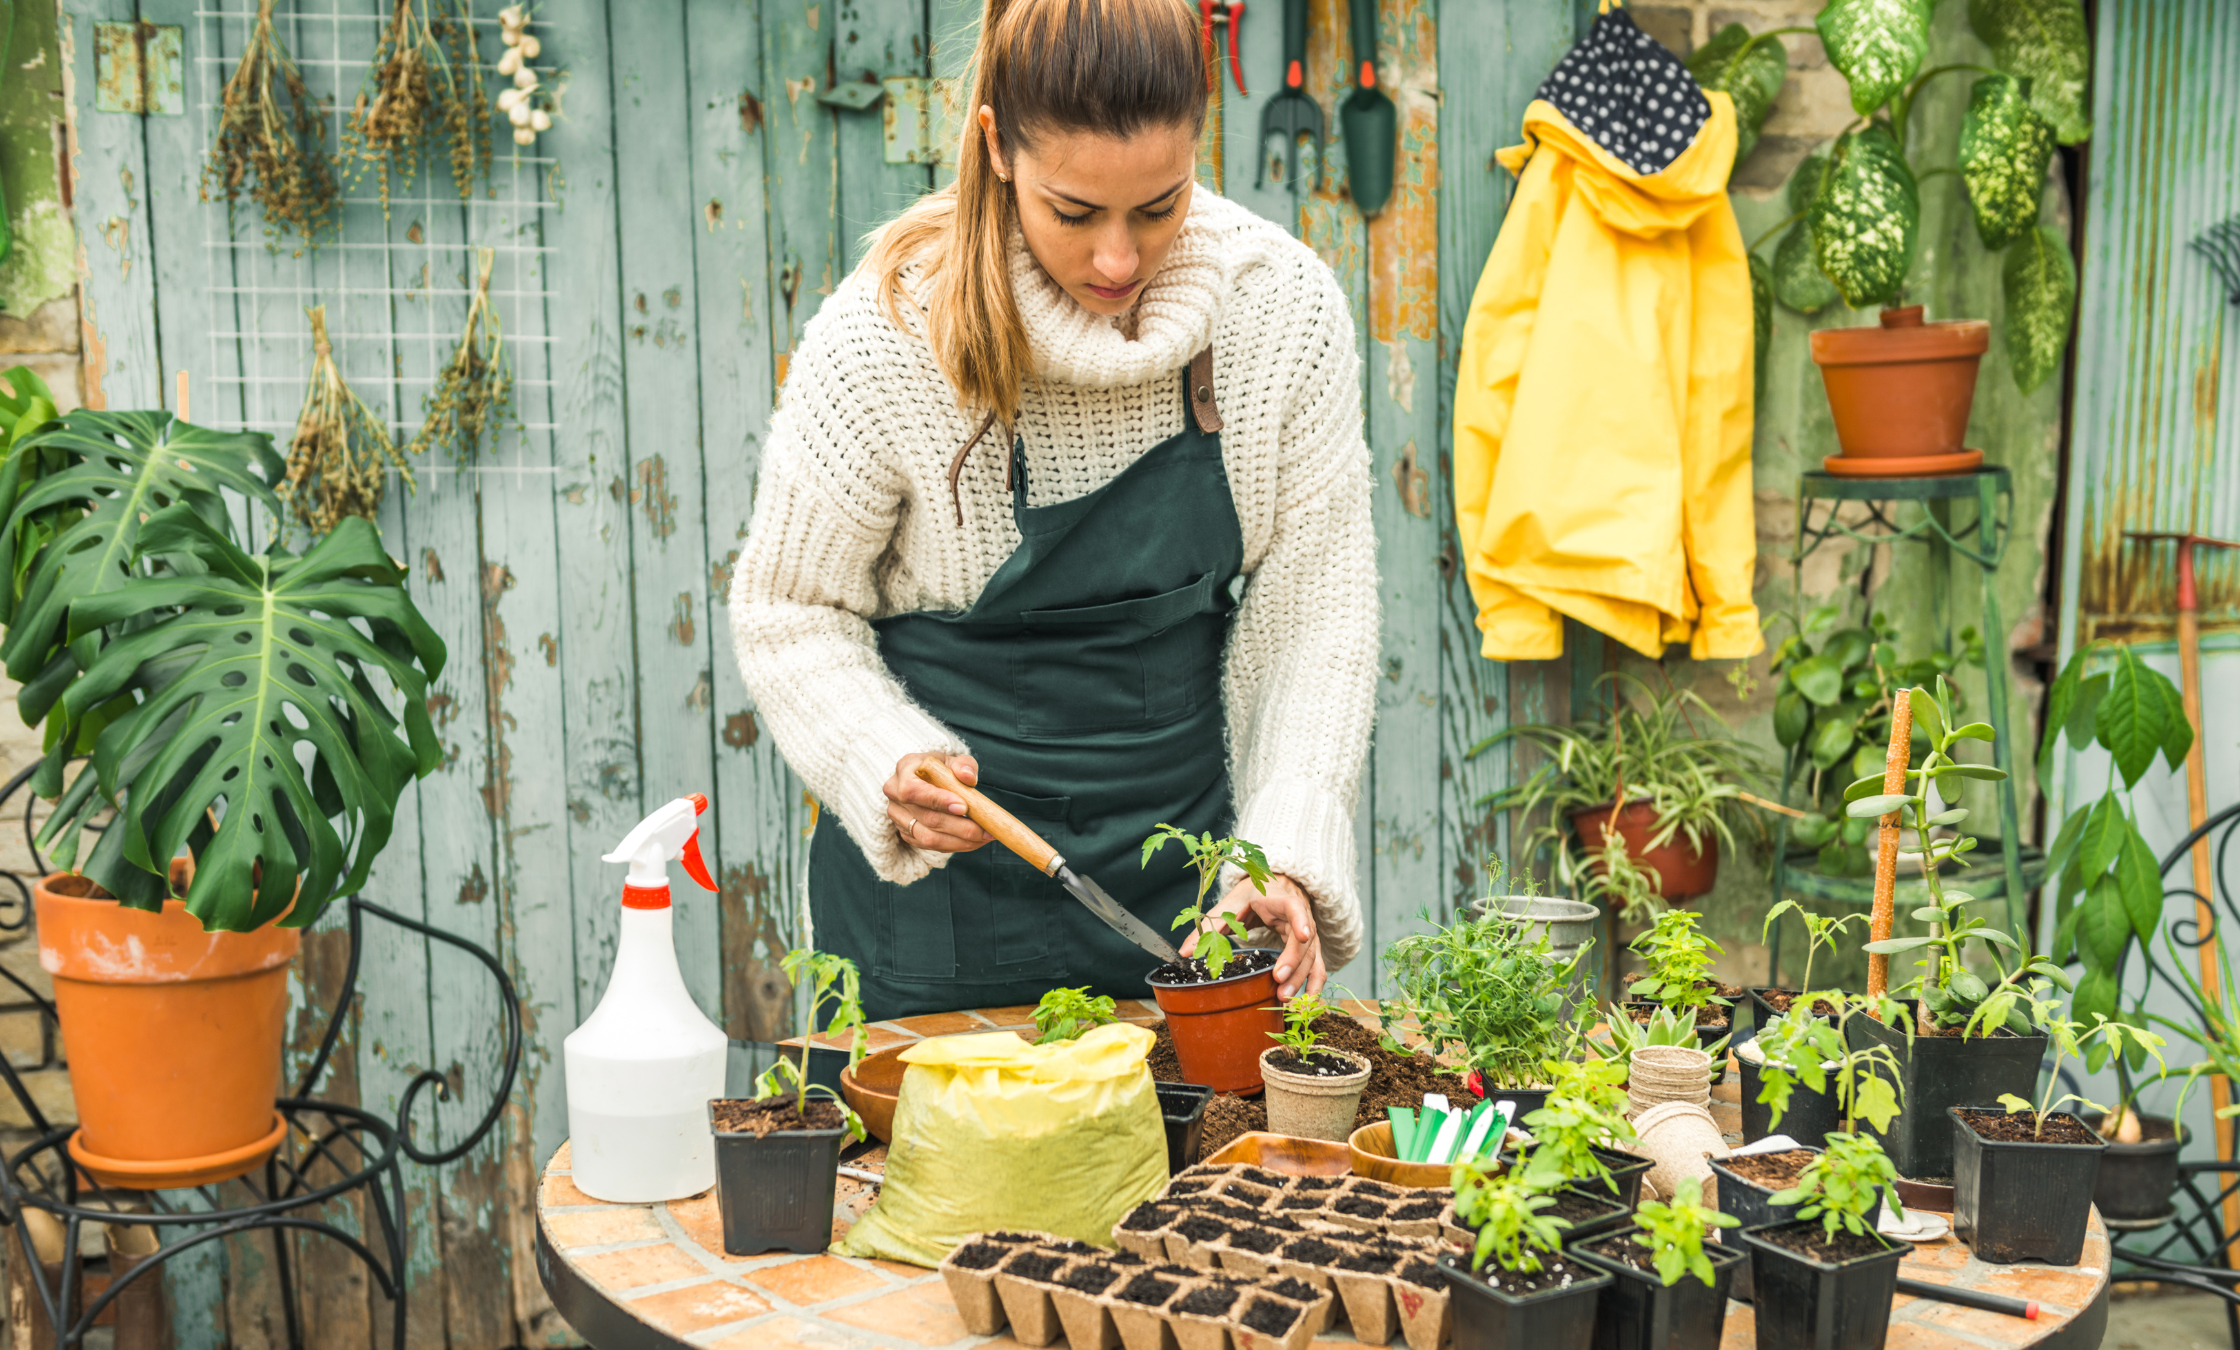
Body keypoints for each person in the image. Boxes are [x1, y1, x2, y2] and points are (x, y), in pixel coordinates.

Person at [727, 0, 1378, 1021]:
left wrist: (1277, 848)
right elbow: (787, 610)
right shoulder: (888, 334)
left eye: (1157, 207)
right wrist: (879, 755)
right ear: (995, 148)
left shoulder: (1276, 310)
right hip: (935, 922)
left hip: (1188, 907)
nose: (1117, 260)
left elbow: (1314, 606)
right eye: (1073, 213)